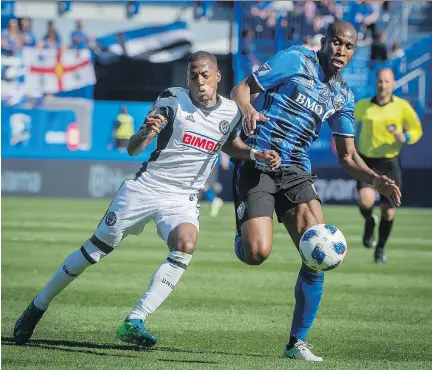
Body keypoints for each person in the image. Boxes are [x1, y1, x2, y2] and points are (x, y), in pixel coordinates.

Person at [13, 51, 281, 347]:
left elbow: (230, 145)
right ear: (187, 79)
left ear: (217, 77)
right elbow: (133, 149)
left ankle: (135, 320)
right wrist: (145, 133)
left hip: (182, 199)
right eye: (194, 76)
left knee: (186, 244)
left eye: (205, 75)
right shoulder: (172, 100)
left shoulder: (230, 112)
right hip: (146, 188)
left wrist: (257, 155)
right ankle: (38, 306)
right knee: (93, 252)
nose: (200, 81)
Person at [230, 21, 401, 362]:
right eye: (336, 42)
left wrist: (374, 180)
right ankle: (244, 230)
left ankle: (297, 342)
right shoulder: (295, 59)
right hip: (260, 159)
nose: (341, 50)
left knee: (319, 252)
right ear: (324, 42)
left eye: (348, 46)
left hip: (295, 170)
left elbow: (348, 157)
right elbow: (242, 88)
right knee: (256, 253)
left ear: (354, 51)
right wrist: (248, 109)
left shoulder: (344, 96)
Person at [354, 68, 422, 263]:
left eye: (387, 82)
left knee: (388, 211)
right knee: (365, 201)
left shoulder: (402, 107)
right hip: (367, 162)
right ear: (376, 83)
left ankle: (380, 248)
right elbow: (348, 124)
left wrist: (406, 136)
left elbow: (417, 130)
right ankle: (369, 221)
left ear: (393, 84)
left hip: (390, 162)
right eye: (380, 81)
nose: (383, 85)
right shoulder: (363, 106)